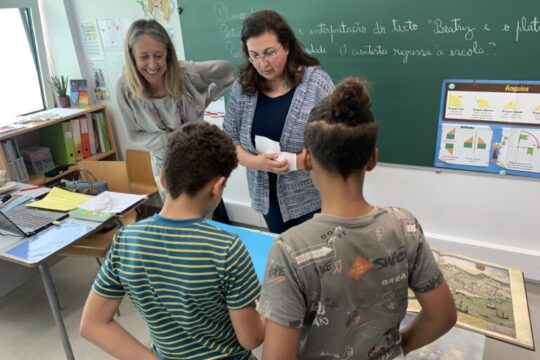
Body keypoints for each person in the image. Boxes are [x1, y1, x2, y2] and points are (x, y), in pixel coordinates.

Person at [257, 78, 457, 360]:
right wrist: (398, 348)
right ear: (372, 159)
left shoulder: (290, 249)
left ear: (308, 160)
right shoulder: (405, 226)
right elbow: (444, 316)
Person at [80, 122, 264, 360]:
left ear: (163, 178)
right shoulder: (227, 248)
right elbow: (251, 338)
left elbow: (92, 325)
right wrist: (272, 309)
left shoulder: (126, 241)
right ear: (217, 187)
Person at [223, 10, 334, 234]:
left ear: (287, 46)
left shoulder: (316, 83)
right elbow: (228, 140)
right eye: (253, 55)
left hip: (312, 198)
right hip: (267, 200)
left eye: (269, 52)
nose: (262, 63)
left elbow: (338, 141)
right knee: (284, 255)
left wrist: (300, 162)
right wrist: (257, 163)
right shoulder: (242, 88)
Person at [116, 19, 235, 221]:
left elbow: (227, 71)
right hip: (165, 162)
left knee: (207, 217)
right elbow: (134, 135)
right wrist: (173, 139)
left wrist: (205, 99)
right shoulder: (124, 89)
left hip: (199, 158)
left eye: (159, 56)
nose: (152, 65)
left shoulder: (186, 75)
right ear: (132, 57)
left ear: (168, 54)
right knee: (180, 218)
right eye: (144, 57)